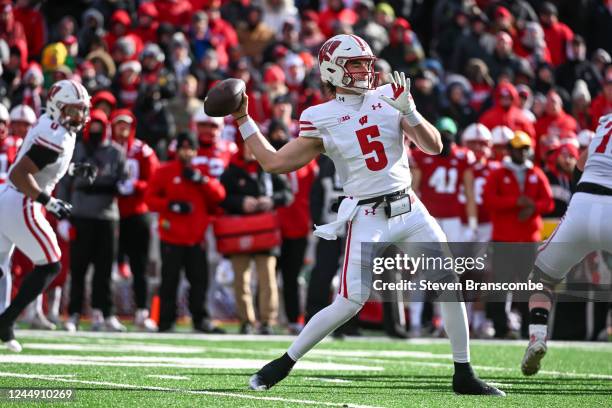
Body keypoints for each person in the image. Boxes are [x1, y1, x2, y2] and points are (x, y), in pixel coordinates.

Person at [234, 34, 503, 396]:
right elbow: (274, 162)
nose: (367, 70)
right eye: (356, 63)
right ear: (333, 70)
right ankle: (282, 363)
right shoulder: (320, 116)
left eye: (367, 62)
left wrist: (409, 111)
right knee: (348, 301)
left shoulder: (389, 97)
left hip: (410, 208)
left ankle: (464, 372)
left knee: (448, 286)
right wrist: (243, 119)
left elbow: (434, 146)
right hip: (369, 214)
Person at [0, 80, 95, 351]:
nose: (80, 117)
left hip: (10, 199)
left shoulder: (52, 125)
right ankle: (6, 321)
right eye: (73, 110)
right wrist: (47, 201)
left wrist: (74, 169)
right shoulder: (55, 134)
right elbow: (19, 174)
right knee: (51, 264)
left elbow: (45, 163)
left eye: (82, 110)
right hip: (22, 202)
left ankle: (5, 327)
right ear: (57, 107)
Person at [521, 113, 612, 375]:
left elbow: (580, 165)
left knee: (541, 278)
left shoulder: (606, 120)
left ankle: (537, 336)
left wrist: (580, 201)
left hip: (582, 204)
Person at [145, 131, 226, 333]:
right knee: (169, 281)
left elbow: (219, 195)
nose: (187, 152)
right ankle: (165, 321)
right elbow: (149, 199)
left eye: (190, 148)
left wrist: (202, 181)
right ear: (177, 150)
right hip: (171, 237)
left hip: (196, 238)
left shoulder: (200, 172)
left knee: (199, 282)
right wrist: (170, 205)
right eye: (183, 148)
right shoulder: (165, 171)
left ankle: (200, 320)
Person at [57, 109, 127, 333]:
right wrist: (63, 216)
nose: (96, 131)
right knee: (78, 269)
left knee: (105, 270)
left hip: (107, 216)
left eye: (100, 126)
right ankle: (74, 313)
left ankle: (104, 312)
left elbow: (125, 181)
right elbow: (65, 184)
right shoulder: (77, 150)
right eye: (92, 126)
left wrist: (122, 185)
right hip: (81, 215)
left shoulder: (115, 152)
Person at [219, 137, 293, 335]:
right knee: (241, 279)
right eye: (247, 145)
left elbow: (287, 194)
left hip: (265, 232)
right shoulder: (231, 171)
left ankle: (267, 321)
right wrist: (241, 202)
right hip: (239, 232)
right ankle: (246, 321)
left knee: (268, 278)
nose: (251, 150)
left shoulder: (270, 167)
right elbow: (221, 197)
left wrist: (270, 200)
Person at [111, 110, 160, 332]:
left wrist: (136, 187)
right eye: (119, 124)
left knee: (139, 266)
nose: (123, 129)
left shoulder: (143, 150)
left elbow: (155, 180)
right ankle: (105, 313)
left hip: (137, 213)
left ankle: (142, 311)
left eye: (126, 125)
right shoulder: (106, 149)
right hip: (110, 214)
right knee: (108, 266)